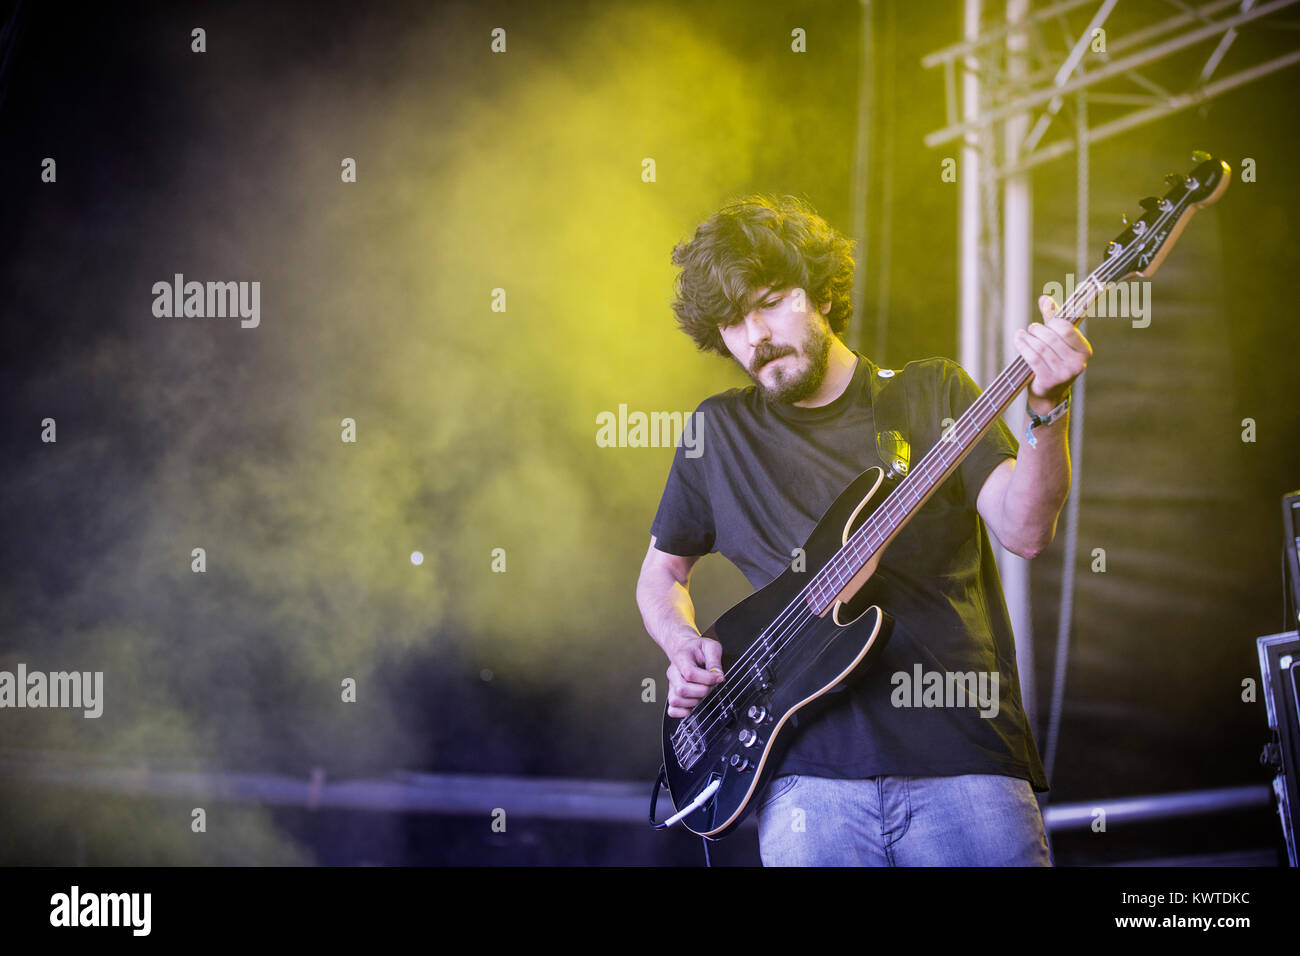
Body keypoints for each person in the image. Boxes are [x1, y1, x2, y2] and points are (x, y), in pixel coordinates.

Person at [635, 194, 1090, 866]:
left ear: (820, 292)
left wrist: (1046, 410)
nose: (755, 336)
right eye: (731, 323)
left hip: (963, 763)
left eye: (769, 301)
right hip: (803, 781)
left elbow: (1026, 530)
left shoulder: (931, 393)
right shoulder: (717, 432)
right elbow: (661, 573)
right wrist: (682, 644)